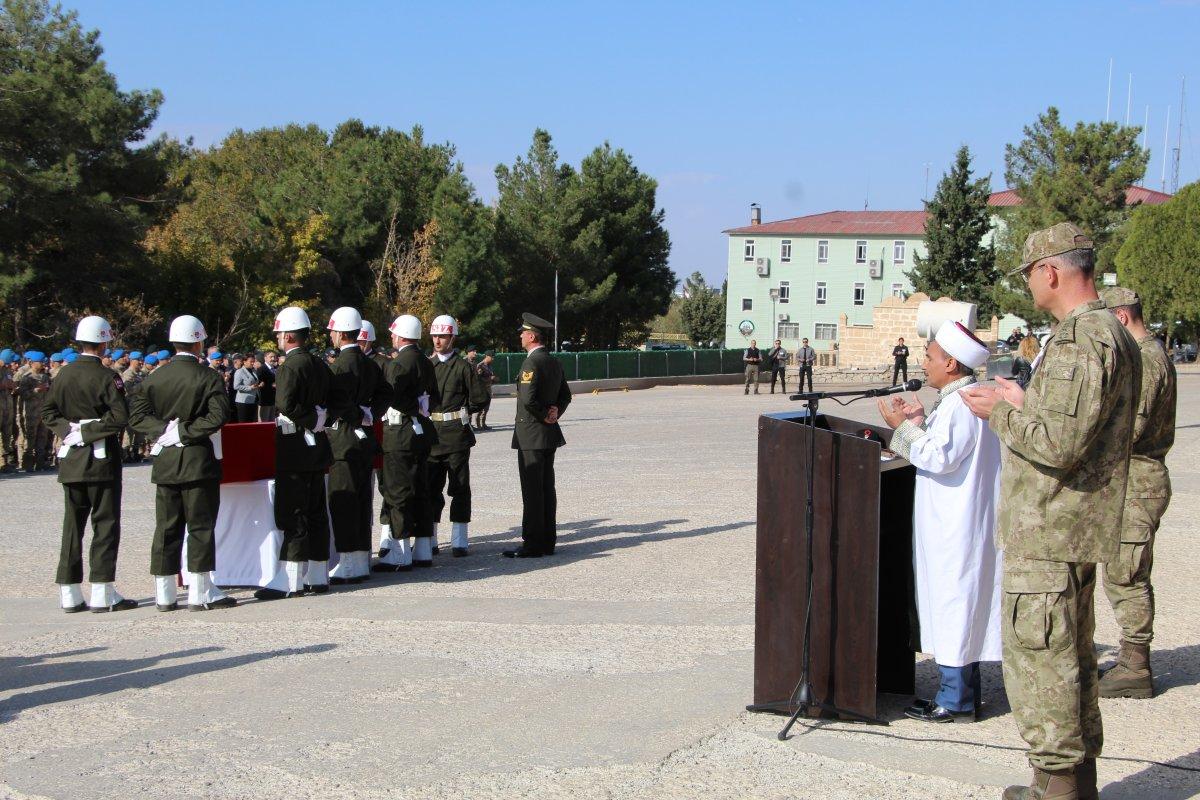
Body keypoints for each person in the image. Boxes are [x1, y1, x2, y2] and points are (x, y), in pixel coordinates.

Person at [961, 223, 1140, 800]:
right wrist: (1023, 401)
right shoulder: (1110, 333)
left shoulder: (1080, 339)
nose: (1029, 284)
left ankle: (1058, 790)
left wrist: (997, 413)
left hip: (1049, 530)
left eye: (1030, 274)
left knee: (1043, 668)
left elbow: (1058, 444)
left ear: (1051, 271)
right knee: (1069, 660)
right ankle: (1065, 785)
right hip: (1070, 527)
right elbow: (1076, 425)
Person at [878, 321, 1002, 724]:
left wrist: (901, 429)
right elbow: (942, 446)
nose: (923, 363)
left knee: (954, 604)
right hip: (956, 521)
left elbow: (939, 457)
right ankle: (963, 692)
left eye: (930, 357)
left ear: (951, 363)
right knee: (959, 604)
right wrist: (918, 423)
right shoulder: (959, 401)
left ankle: (955, 699)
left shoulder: (962, 404)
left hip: (955, 526)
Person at [1098, 287, 1177, 700]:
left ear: (1122, 318)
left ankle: (1135, 665)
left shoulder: (1145, 359)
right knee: (1124, 570)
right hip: (1134, 480)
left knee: (1126, 574)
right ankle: (1131, 658)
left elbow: (1132, 427)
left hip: (1137, 481)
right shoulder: (1149, 353)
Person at [129, 315, 235, 612]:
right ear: (199, 343)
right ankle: (201, 592)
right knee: (200, 526)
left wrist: (164, 431)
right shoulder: (208, 377)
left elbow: (136, 417)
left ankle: (164, 594)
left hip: (166, 460)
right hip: (198, 459)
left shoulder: (155, 377)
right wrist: (184, 432)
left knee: (166, 527)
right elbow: (218, 416)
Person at [41, 316, 133, 613]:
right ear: (103, 343)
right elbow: (120, 416)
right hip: (100, 458)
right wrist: (88, 431)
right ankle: (102, 591)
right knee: (105, 524)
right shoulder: (107, 376)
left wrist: (69, 431)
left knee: (72, 525)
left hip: (72, 459)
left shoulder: (63, 375)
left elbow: (48, 411)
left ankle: (69, 591)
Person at [255, 306, 334, 600]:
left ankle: (290, 579)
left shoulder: (290, 365)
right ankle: (318, 573)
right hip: (316, 444)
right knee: (316, 511)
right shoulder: (319, 363)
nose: (277, 338)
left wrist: (311, 419)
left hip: (295, 445)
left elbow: (285, 403)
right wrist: (322, 418)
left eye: (279, 334)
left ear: (288, 335)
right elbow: (338, 396)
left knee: (293, 512)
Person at [505, 313, 571, 558]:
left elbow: (528, 398)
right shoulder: (554, 362)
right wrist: (555, 413)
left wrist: (544, 415)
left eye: (523, 333)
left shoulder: (531, 363)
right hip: (548, 434)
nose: (521, 337)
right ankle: (547, 541)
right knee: (546, 489)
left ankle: (533, 544)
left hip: (531, 434)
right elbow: (565, 395)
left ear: (532, 336)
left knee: (532, 491)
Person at [375, 314, 436, 570]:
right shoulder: (425, 361)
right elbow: (435, 397)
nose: (391, 336)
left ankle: (400, 551)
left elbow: (390, 396)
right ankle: (423, 549)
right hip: (420, 430)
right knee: (421, 489)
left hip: (400, 432)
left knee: (397, 491)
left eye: (394, 333)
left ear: (401, 335)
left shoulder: (399, 363)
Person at [324, 307, 379, 585]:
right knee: (362, 501)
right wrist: (369, 414)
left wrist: (355, 414)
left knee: (344, 502)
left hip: (344, 440)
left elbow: (335, 401)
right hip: (364, 439)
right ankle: (360, 561)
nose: (331, 336)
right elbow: (386, 393)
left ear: (340, 333)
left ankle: (347, 563)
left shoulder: (338, 367)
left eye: (332, 331)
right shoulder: (370, 364)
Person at [426, 315, 489, 557]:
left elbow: (480, 398)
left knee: (459, 487)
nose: (437, 340)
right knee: (431, 488)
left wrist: (463, 413)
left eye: (442, 336)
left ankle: (459, 539)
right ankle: (429, 538)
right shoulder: (427, 366)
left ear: (452, 338)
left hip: (456, 437)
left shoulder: (463, 367)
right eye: (435, 336)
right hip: (432, 436)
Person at [15, 350, 53, 471]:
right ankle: (27, 464)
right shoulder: (27, 378)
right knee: (30, 439)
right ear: (33, 363)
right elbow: (23, 394)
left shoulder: (45, 377)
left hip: (43, 412)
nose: (43, 364)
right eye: (40, 362)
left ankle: (40, 463)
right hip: (31, 413)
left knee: (42, 438)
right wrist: (36, 390)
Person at [0, 350, 17, 473]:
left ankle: (6, 463)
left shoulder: (7, 371)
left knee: (7, 434)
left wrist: (10, 385)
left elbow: (11, 385)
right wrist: (4, 385)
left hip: (8, 407)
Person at [232, 352, 260, 423]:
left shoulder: (253, 371)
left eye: (253, 361)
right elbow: (236, 386)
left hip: (253, 400)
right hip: (243, 401)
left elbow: (254, 382)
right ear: (244, 362)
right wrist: (250, 388)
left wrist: (259, 385)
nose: (253, 363)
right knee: (244, 423)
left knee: (252, 422)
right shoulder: (239, 371)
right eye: (251, 361)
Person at [474, 353, 498, 430]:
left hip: (488, 389)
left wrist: (494, 379)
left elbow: (490, 376)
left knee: (486, 408)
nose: (493, 359)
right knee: (480, 408)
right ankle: (478, 425)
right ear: (487, 356)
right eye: (492, 357)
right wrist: (489, 379)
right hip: (481, 390)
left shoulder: (489, 366)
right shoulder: (480, 366)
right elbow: (477, 379)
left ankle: (483, 424)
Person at [257, 351, 278, 421]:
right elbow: (260, 384)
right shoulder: (261, 369)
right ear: (265, 358)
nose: (273, 359)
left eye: (274, 357)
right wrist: (271, 385)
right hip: (265, 401)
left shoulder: (276, 369)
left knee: (272, 422)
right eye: (271, 357)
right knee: (264, 422)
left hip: (274, 400)